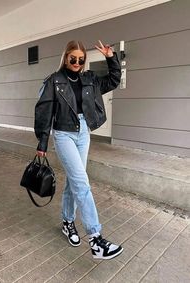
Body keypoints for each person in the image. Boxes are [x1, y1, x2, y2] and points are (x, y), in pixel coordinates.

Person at [34, 40, 123, 260]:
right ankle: (96, 239)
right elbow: (44, 112)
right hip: (63, 134)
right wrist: (42, 142)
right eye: (72, 58)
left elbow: (113, 80)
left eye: (80, 59)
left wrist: (111, 58)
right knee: (82, 183)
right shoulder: (54, 80)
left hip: (84, 132)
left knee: (75, 181)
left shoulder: (89, 78)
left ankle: (67, 222)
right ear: (65, 57)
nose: (76, 62)